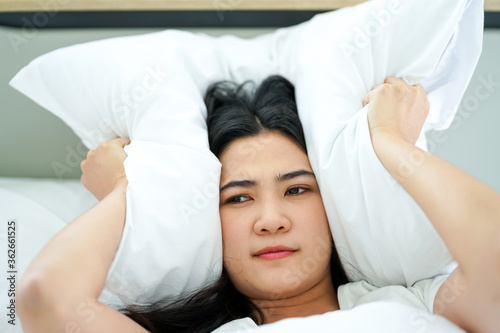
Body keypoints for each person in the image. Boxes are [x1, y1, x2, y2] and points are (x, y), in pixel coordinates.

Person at [16, 75, 500, 333]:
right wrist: (130, 193)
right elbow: (46, 301)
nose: (271, 220)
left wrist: (389, 144)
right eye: (239, 198)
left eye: (297, 189)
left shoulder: (420, 302)